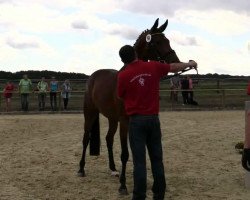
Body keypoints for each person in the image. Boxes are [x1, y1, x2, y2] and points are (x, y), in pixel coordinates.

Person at [117, 45, 197, 200]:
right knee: (157, 160)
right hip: (153, 120)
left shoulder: (123, 75)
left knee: (139, 163)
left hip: (136, 121)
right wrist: (190, 64)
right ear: (135, 53)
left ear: (122, 60)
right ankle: (159, 194)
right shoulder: (153, 66)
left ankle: (139, 196)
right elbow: (173, 67)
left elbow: (120, 95)